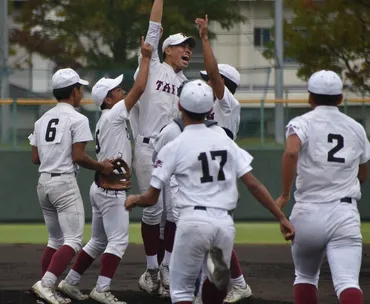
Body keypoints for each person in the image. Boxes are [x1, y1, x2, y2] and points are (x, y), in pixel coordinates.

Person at [125, 79, 295, 304]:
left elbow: (152, 196)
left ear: (179, 107)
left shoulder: (174, 142)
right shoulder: (224, 139)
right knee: (213, 287)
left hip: (192, 221)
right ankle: (214, 285)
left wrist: (136, 199)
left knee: (182, 292)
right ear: (209, 110)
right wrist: (281, 217)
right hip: (223, 224)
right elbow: (253, 184)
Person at [55, 39, 152, 304]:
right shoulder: (115, 114)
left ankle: (70, 282)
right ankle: (102, 288)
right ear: (108, 99)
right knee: (118, 242)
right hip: (111, 191)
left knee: (98, 241)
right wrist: (145, 58)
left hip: (100, 189)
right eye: (118, 90)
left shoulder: (105, 119)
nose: (122, 92)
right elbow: (141, 87)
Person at [276, 70, 370, 304]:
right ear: (340, 98)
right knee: (348, 282)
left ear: (310, 97)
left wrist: (285, 194)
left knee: (306, 276)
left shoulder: (301, 122)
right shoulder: (356, 128)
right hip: (344, 213)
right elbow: (363, 173)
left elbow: (290, 152)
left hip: (308, 210)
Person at [29, 68, 114, 304]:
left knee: (54, 241)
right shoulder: (78, 118)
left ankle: (46, 292)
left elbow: (35, 158)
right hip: (64, 182)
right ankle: (46, 286)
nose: (82, 92)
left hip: (43, 182)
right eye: (80, 88)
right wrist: (101, 167)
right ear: (74, 91)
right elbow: (78, 156)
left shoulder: (41, 119)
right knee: (73, 241)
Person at [133, 0, 196, 296]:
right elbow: (154, 28)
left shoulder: (186, 83)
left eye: (190, 47)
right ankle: (151, 269)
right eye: (182, 45)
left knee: (175, 213)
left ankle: (167, 268)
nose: (187, 50)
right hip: (147, 149)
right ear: (167, 49)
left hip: (173, 152)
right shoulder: (153, 65)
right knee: (153, 212)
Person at [196, 15, 250, 303]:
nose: (204, 81)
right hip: (211, 176)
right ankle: (238, 283)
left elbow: (214, 76)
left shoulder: (227, 101)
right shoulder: (211, 104)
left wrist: (205, 39)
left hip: (219, 178)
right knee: (211, 236)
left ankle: (236, 284)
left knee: (212, 237)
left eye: (209, 79)